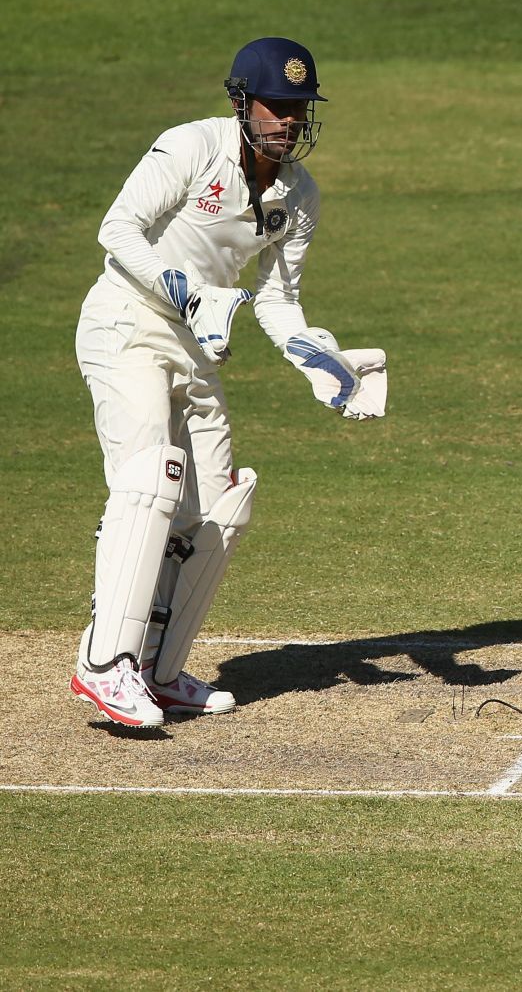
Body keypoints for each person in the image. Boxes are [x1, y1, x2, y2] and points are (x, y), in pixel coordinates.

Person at [71, 37, 388, 728]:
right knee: (152, 475)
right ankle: (103, 663)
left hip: (195, 346)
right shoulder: (190, 147)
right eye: (280, 107)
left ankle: (159, 667)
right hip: (128, 323)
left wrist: (316, 357)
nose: (291, 123)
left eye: (301, 110)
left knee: (218, 506)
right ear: (243, 101)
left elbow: (276, 300)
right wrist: (177, 285)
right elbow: (117, 228)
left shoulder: (298, 196)